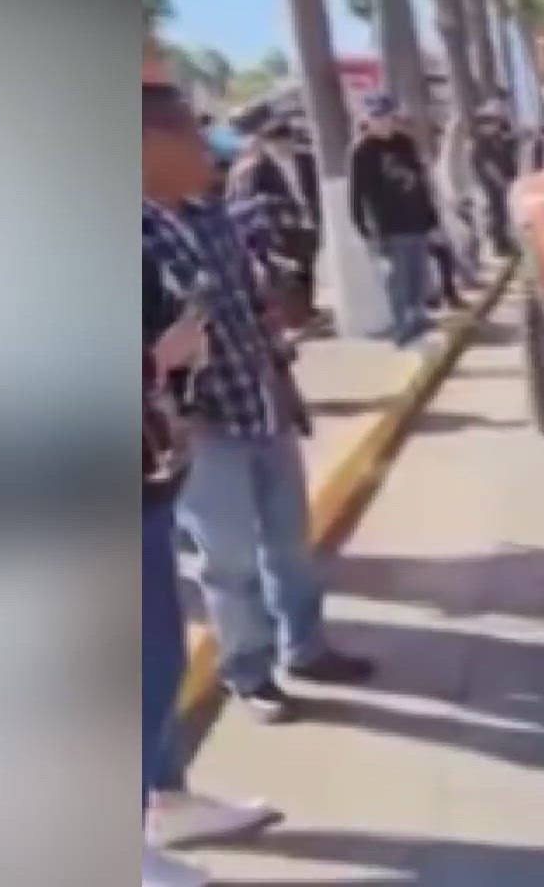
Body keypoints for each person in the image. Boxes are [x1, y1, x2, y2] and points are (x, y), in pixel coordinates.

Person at [145, 84, 374, 729]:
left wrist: (273, 311)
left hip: (261, 405)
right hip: (203, 427)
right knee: (229, 562)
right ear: (151, 147)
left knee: (290, 545)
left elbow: (247, 304)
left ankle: (306, 647)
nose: (209, 151)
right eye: (194, 137)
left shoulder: (214, 215)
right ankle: (249, 671)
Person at [142, 45, 283, 886]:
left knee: (157, 650)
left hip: (148, 471)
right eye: (193, 134)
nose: (209, 153)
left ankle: (164, 797)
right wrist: (161, 359)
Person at [349, 95, 441, 345]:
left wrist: (432, 220)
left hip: (416, 222)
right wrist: (364, 229)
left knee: (419, 277)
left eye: (387, 116)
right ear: (367, 119)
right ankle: (402, 328)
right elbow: (357, 195)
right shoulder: (362, 151)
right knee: (397, 281)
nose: (383, 122)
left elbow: (421, 184)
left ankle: (419, 321)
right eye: (377, 117)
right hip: (389, 227)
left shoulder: (404, 143)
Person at [226, 118, 321, 323]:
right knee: (289, 272)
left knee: (308, 265)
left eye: (284, 142)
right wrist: (276, 208)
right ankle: (296, 315)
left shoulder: (306, 160)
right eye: (275, 144)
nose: (281, 147)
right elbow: (252, 198)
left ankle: (308, 308)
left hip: (309, 220)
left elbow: (316, 188)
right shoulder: (259, 168)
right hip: (279, 227)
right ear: (266, 145)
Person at [472, 103, 517, 257]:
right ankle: (500, 244)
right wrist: (501, 182)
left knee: (504, 214)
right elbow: (488, 165)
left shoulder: (499, 139)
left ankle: (505, 241)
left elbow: (508, 158)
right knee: (496, 213)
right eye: (495, 121)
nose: (498, 125)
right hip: (491, 186)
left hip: (503, 184)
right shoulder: (482, 143)